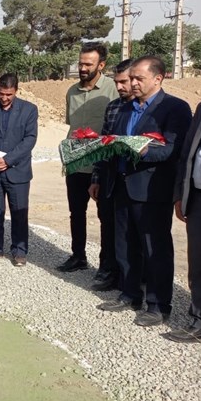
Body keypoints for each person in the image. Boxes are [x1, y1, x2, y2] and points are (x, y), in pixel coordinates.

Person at [97, 56, 192, 326]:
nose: (133, 83)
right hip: (122, 186)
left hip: (152, 190)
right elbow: (114, 141)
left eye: (139, 78)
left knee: (155, 248)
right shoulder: (126, 109)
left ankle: (158, 304)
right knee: (125, 244)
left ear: (158, 79)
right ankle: (129, 293)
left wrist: (141, 149)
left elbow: (174, 149)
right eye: (132, 78)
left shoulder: (174, 108)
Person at [57, 42, 118, 273]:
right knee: (76, 213)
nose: (82, 67)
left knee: (105, 216)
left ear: (101, 65)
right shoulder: (71, 91)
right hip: (76, 164)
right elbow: (71, 126)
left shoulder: (113, 89)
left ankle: (106, 265)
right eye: (80, 63)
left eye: (87, 64)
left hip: (102, 165)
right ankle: (78, 256)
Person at [0, 73, 38, 266]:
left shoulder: (29, 110)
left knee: (19, 212)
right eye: (1, 93)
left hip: (17, 171)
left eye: (8, 94)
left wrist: (8, 160)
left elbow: (30, 139)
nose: (4, 98)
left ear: (16, 91)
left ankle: (19, 251)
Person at [88, 59, 134, 291]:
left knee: (131, 232)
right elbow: (102, 145)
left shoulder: (146, 109)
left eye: (124, 81)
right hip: (109, 179)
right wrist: (96, 178)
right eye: (117, 82)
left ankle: (133, 276)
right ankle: (108, 270)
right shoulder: (114, 107)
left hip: (134, 181)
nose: (120, 87)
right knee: (108, 225)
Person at [167, 99, 201, 342]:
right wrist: (180, 194)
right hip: (200, 197)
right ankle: (199, 319)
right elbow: (187, 155)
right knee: (199, 261)